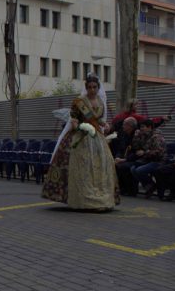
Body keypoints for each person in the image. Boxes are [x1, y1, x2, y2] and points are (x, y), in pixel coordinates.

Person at [42, 74, 119, 211]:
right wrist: (76, 124)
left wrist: (105, 124)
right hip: (81, 136)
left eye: (94, 87)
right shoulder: (79, 102)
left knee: (103, 163)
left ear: (98, 87)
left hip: (97, 137)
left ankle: (102, 196)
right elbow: (74, 117)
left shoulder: (101, 102)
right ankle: (81, 197)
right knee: (81, 165)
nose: (92, 90)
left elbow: (98, 120)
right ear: (86, 88)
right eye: (89, 87)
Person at [129, 119, 166, 198]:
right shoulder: (143, 135)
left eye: (143, 127)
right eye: (140, 127)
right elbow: (135, 147)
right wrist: (136, 136)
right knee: (133, 168)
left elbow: (159, 152)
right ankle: (150, 186)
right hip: (147, 159)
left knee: (139, 170)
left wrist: (145, 152)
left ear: (149, 127)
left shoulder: (156, 136)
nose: (141, 129)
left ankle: (151, 186)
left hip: (158, 160)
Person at [114, 117, 141, 196]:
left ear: (130, 126)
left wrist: (124, 159)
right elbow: (121, 148)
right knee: (115, 165)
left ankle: (131, 189)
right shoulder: (124, 135)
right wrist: (117, 157)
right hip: (125, 158)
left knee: (124, 167)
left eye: (124, 125)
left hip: (135, 159)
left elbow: (136, 152)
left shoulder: (137, 136)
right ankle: (121, 188)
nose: (122, 126)